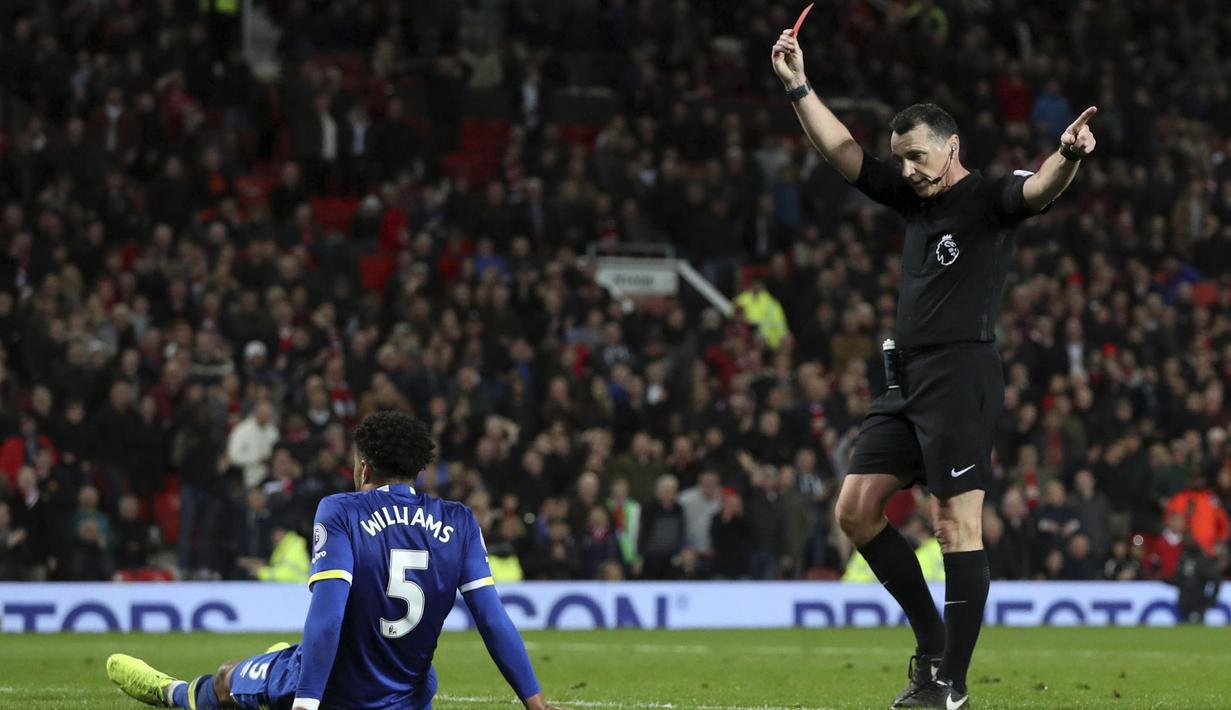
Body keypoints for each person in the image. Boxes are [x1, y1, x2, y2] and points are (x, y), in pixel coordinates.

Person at [772, 27, 1098, 710]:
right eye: (902, 159)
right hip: (903, 378)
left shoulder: (984, 199)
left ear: (951, 149)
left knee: (954, 525)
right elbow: (843, 155)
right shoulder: (910, 196)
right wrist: (797, 85)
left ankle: (950, 684)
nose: (908, 170)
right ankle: (930, 645)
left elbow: (1038, 190)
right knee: (854, 511)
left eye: (917, 157)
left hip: (960, 374)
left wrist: (1066, 155)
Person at [106, 411, 556, 710]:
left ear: (364, 468)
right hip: (405, 694)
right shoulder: (459, 520)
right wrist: (535, 704)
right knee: (427, 678)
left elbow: (328, 616)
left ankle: (173, 693)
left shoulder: (341, 510)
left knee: (227, 679)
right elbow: (493, 621)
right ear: (420, 471)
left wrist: (306, 705)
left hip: (333, 690)